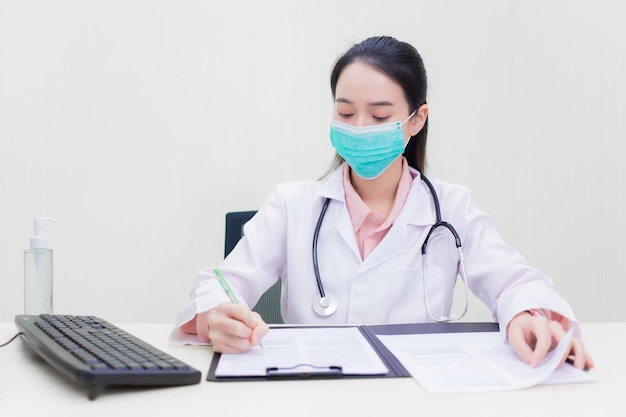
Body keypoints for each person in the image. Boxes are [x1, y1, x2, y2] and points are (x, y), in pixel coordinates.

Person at [176, 35, 593, 371]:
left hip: (414, 394)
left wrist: (524, 313)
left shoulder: (450, 207)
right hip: (311, 391)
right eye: (345, 113)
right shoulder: (292, 205)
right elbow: (219, 283)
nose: (359, 129)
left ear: (417, 119)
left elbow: (515, 281)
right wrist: (215, 315)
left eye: (378, 117)